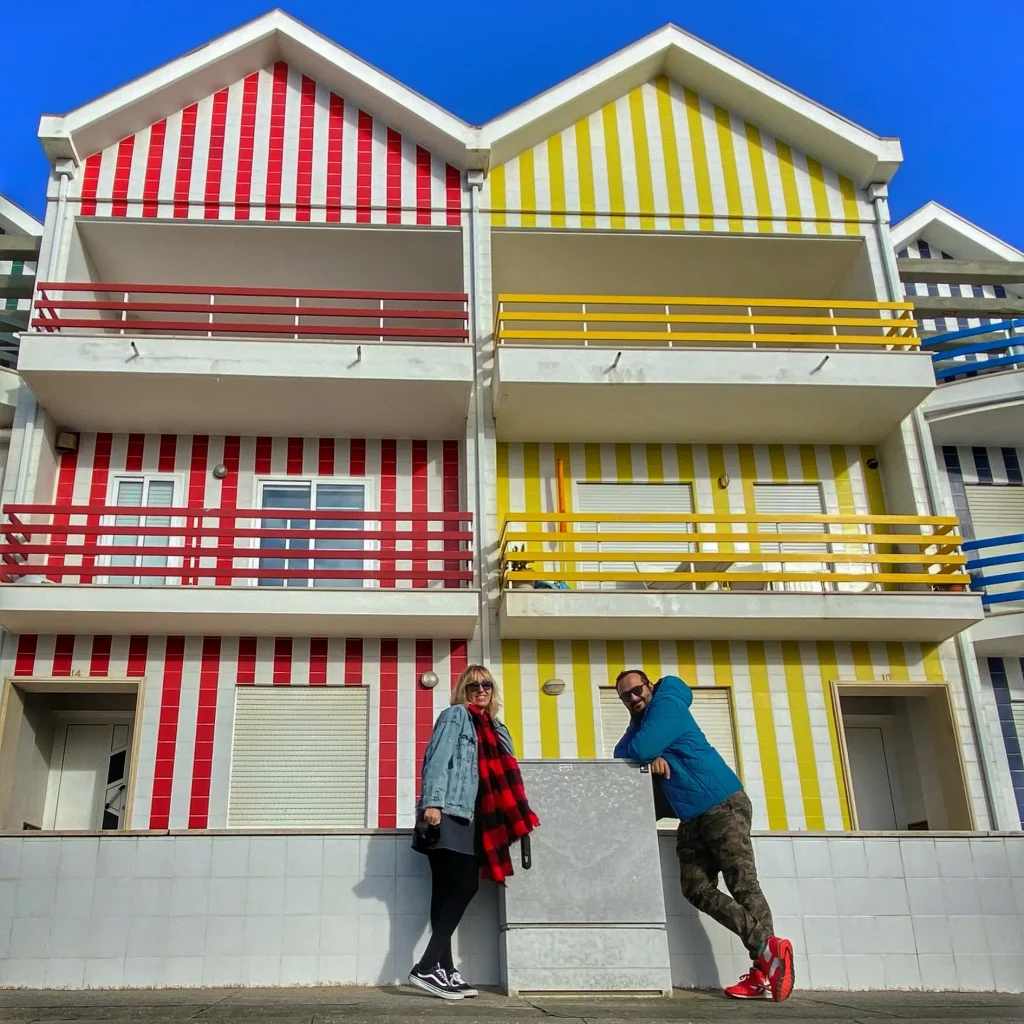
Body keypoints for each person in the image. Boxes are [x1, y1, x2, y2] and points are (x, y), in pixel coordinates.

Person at [613, 669, 794, 1002]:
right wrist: (653, 752)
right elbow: (621, 753)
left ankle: (762, 971)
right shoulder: (644, 721)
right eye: (626, 696)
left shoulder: (667, 705)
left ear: (650, 686)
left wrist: (652, 751)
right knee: (695, 888)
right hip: (693, 815)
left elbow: (638, 750)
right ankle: (767, 948)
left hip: (721, 804)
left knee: (743, 884)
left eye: (637, 690)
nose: (633, 698)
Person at [408, 665, 539, 1001]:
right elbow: (436, 759)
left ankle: (444, 971)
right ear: (462, 691)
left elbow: (509, 771)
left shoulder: (496, 727)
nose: (481, 690)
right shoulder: (455, 716)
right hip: (451, 811)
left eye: (486, 685)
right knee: (464, 885)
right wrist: (432, 802)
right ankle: (425, 967)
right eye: (473, 686)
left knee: (445, 891)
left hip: (480, 818)